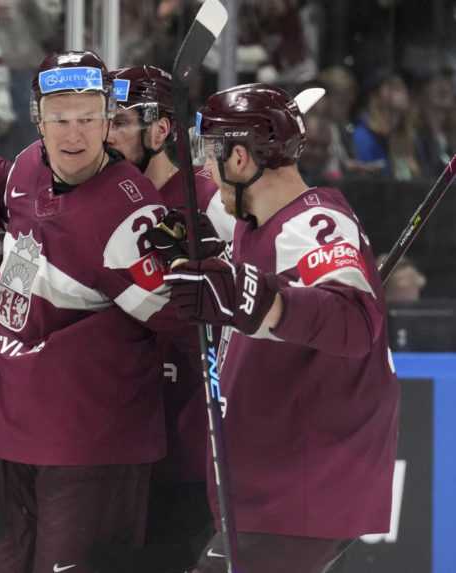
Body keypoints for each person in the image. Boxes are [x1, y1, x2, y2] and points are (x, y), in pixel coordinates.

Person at [0, 50, 178, 572]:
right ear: (38, 120)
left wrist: (194, 268)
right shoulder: (32, 163)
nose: (73, 135)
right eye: (59, 120)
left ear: (106, 123)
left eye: (87, 120)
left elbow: (179, 320)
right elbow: (16, 193)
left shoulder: (133, 213)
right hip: (19, 440)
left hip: (94, 452)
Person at [154, 83, 399, 573]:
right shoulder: (255, 221)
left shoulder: (314, 223)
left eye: (211, 154)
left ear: (241, 159)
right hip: (272, 490)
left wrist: (252, 297)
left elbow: (354, 321)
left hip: (302, 493)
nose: (204, 169)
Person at [103, 64, 234, 572]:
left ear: (160, 131)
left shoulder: (208, 199)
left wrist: (217, 259)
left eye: (118, 122)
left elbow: (259, 290)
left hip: (182, 443)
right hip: (112, 439)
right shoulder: (99, 195)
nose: (105, 135)